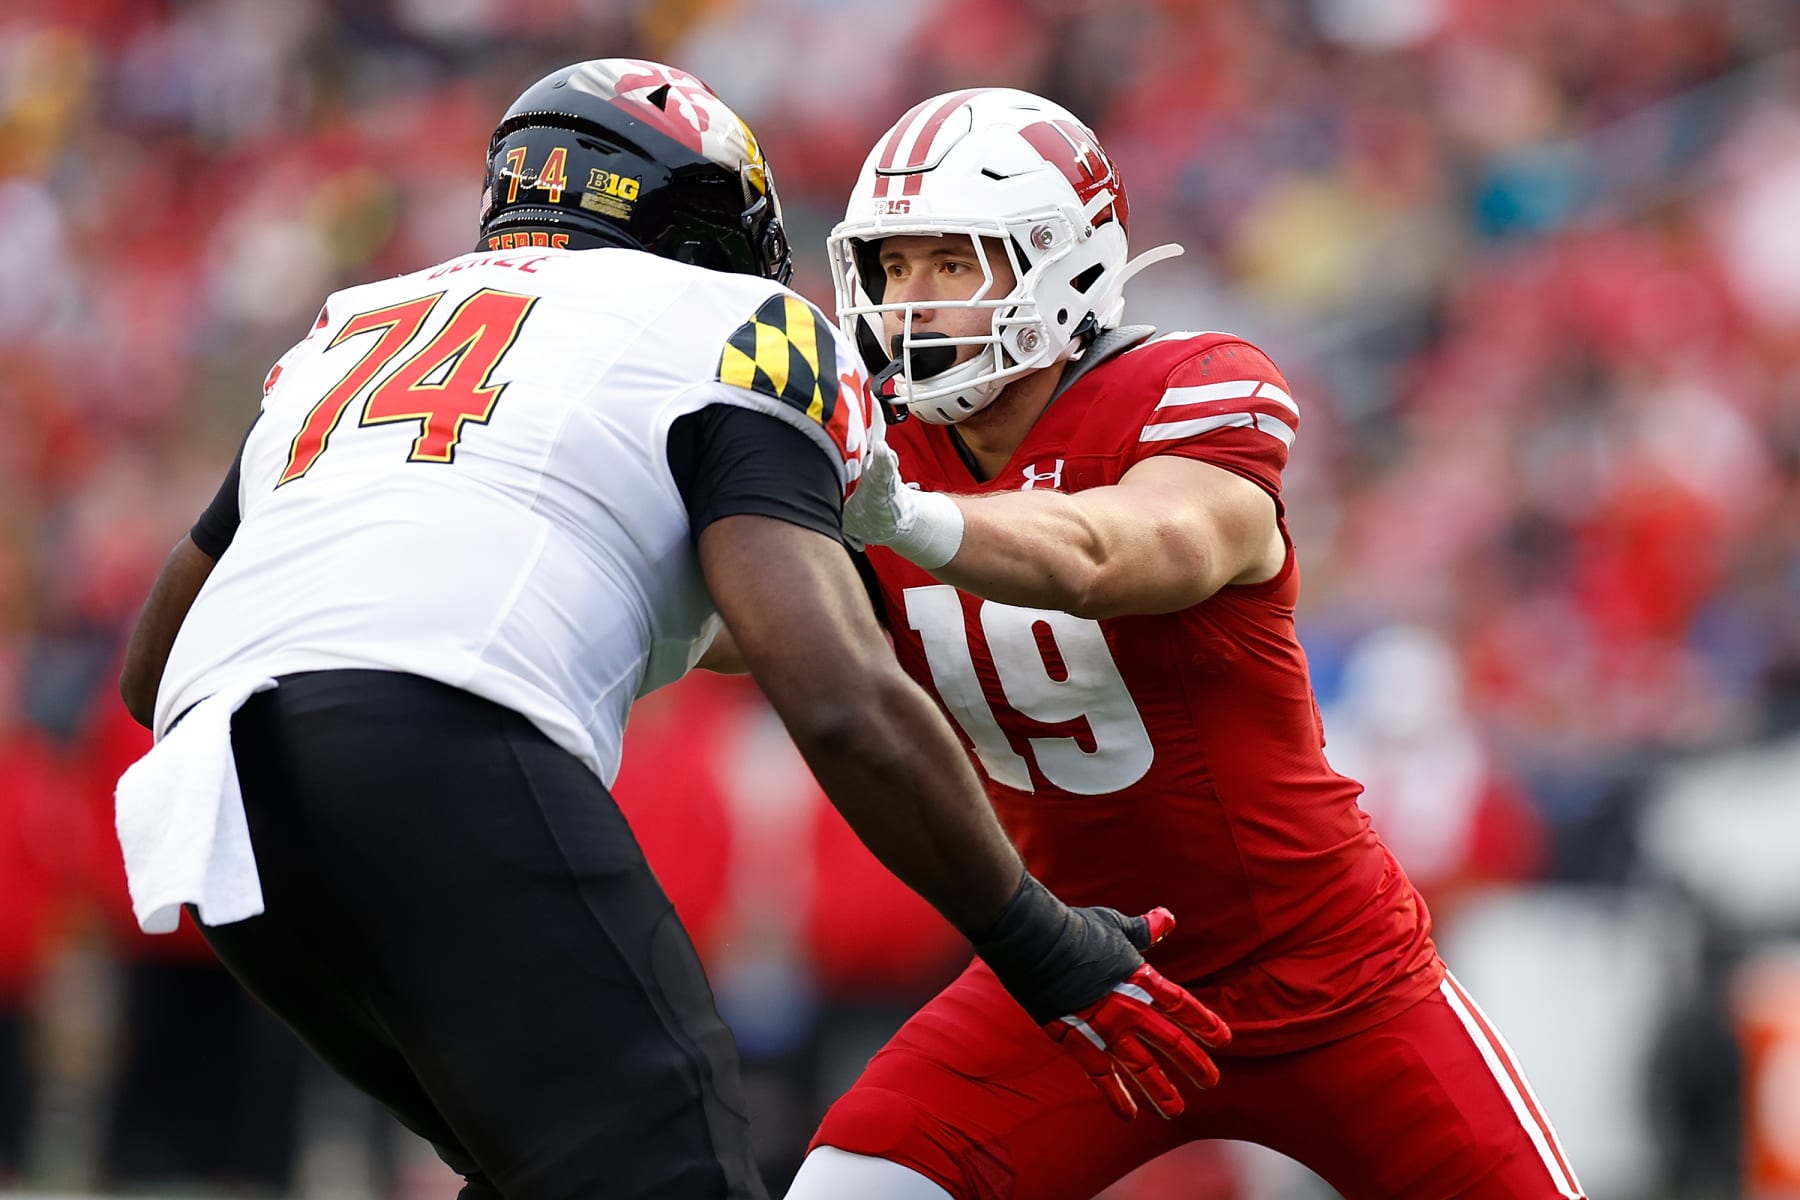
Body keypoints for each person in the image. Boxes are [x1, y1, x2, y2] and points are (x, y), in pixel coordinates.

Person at [112, 62, 1231, 1200]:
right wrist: (1040, 946)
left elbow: (153, 669)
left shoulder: (357, 325)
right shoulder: (737, 322)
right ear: (696, 215)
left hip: (215, 804)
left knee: (548, 1174)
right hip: (434, 741)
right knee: (678, 1171)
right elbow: (837, 695)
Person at [775, 87, 1587, 1200]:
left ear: (1059, 265)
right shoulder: (879, 447)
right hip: (1082, 969)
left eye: (952, 265)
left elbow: (1135, 548)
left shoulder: (1188, 389)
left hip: (1328, 970)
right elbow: (746, 630)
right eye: (893, 267)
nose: (912, 304)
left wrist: (909, 520)